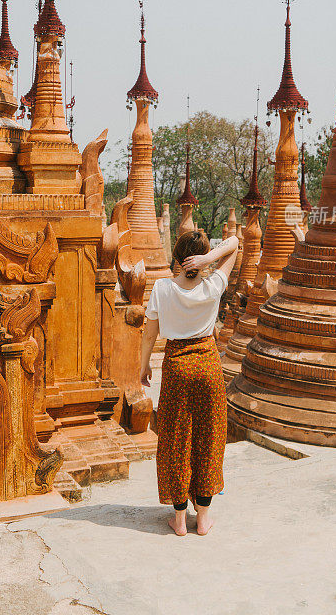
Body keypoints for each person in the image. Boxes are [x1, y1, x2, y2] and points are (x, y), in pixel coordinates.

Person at [140, 230, 239, 536]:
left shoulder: (161, 288)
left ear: (176, 257)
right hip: (208, 363)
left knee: (176, 437)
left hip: (176, 366)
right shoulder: (213, 285)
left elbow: (150, 333)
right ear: (201, 257)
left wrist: (142, 366)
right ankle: (204, 517)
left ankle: (180, 518)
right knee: (209, 436)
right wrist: (211, 258)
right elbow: (235, 243)